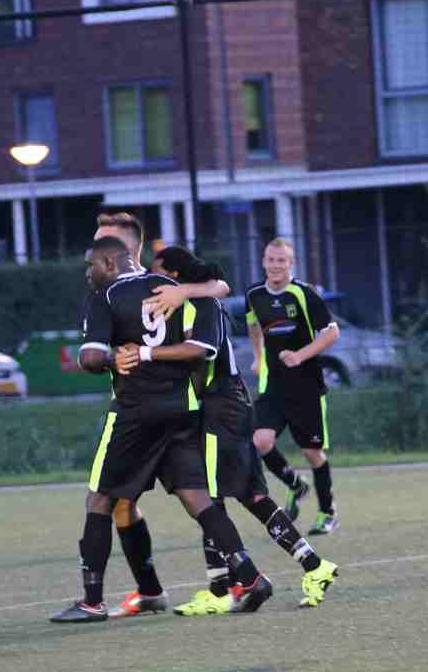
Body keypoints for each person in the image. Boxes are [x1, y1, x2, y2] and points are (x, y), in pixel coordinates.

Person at [50, 235, 271, 622]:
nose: (88, 273)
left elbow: (90, 356)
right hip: (183, 408)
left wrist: (112, 359)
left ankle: (91, 601)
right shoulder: (173, 288)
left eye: (91, 265)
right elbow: (204, 332)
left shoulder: (106, 295)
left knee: (99, 499)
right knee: (197, 498)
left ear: (109, 263)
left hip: (134, 413)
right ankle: (251, 578)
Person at [128, 246, 338, 614]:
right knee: (250, 494)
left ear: (175, 275)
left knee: (209, 498)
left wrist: (150, 362)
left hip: (221, 407)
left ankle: (220, 588)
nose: (150, 277)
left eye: (156, 270)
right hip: (229, 407)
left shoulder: (200, 305)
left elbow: (201, 355)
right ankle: (314, 565)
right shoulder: (192, 301)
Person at [89, 213, 229, 620]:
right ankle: (151, 591)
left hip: (158, 411)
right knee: (128, 503)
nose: (97, 250)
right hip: (155, 409)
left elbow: (217, 289)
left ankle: (236, 578)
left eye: (104, 242)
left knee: (203, 494)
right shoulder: (112, 290)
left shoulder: (150, 285)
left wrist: (186, 290)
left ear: (124, 250)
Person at [245, 239, 341, 534]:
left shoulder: (304, 293)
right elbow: (253, 325)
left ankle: (327, 513)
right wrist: (258, 357)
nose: (275, 265)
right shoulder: (254, 294)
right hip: (273, 385)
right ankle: (295, 485)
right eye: (271, 259)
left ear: (291, 264)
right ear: (263, 262)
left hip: (306, 388)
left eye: (281, 260)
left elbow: (331, 333)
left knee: (312, 453)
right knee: (260, 441)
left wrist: (300, 356)